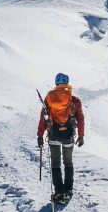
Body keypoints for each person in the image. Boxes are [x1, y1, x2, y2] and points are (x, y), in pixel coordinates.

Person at [36, 72, 85, 203]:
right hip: (68, 135)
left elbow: (43, 118)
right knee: (68, 162)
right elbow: (80, 119)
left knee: (55, 163)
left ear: (56, 83)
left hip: (53, 135)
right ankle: (68, 191)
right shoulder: (74, 101)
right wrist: (81, 135)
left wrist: (40, 135)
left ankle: (59, 192)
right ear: (67, 83)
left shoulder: (49, 98)